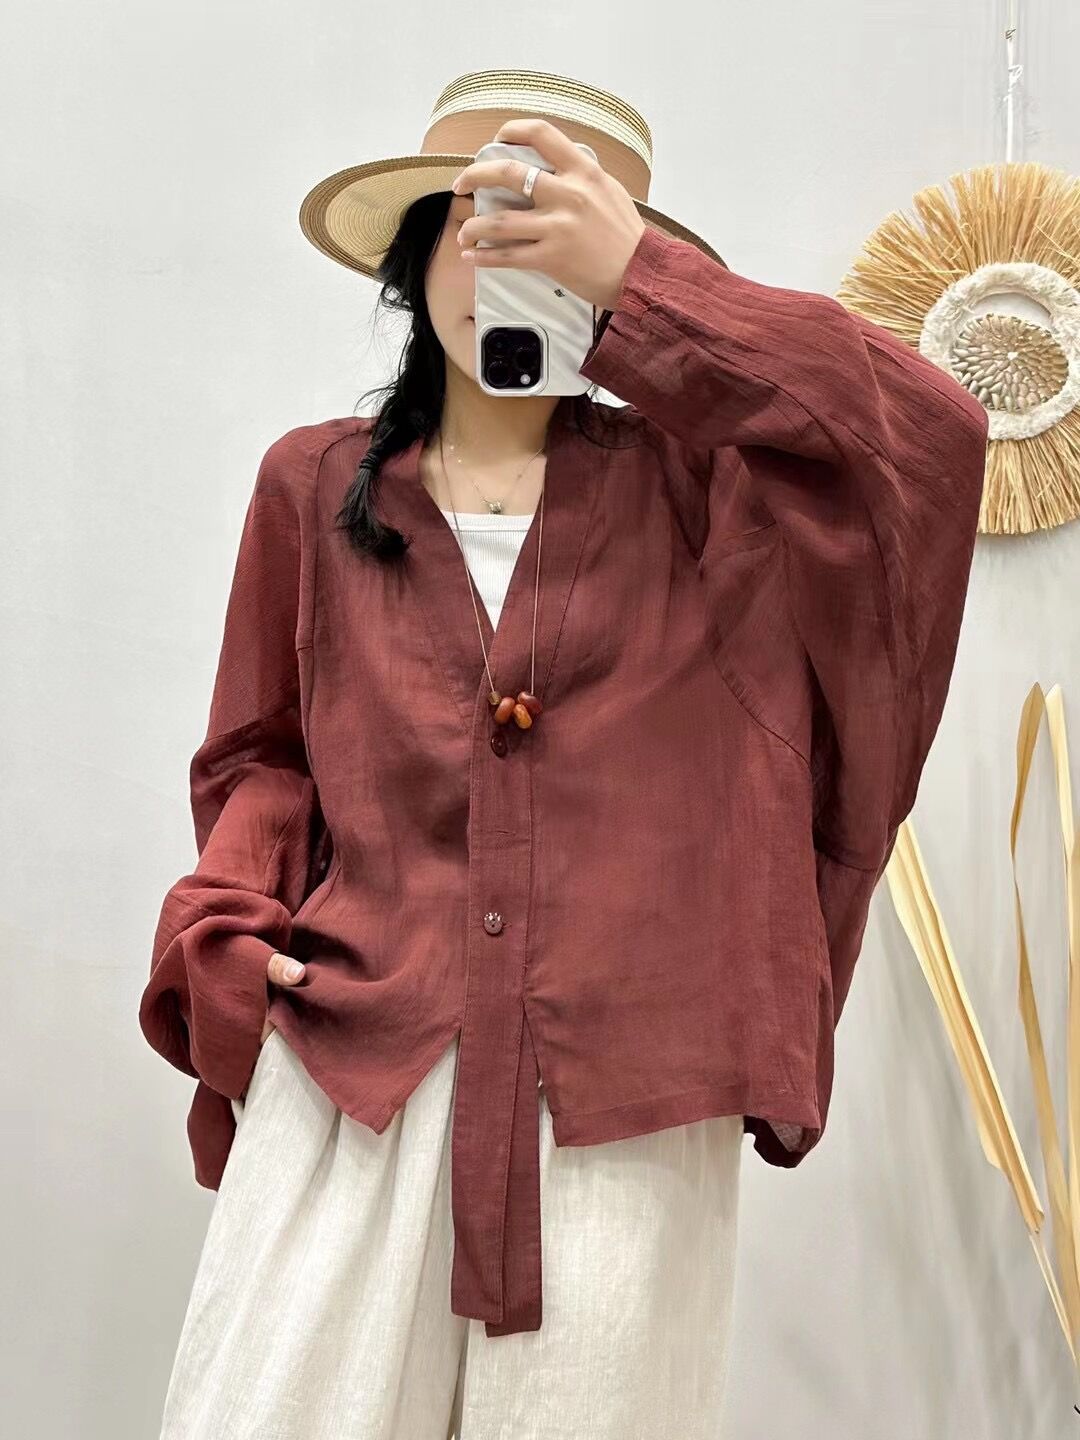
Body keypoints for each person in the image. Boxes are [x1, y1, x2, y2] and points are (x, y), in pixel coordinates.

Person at [141, 70, 989, 1439]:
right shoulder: (312, 484)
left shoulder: (716, 499)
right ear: (415, 255)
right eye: (481, 226)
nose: (510, 267)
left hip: (623, 1104)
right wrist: (231, 912)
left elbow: (932, 441)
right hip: (359, 1061)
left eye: (556, 241)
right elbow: (262, 757)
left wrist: (646, 284)